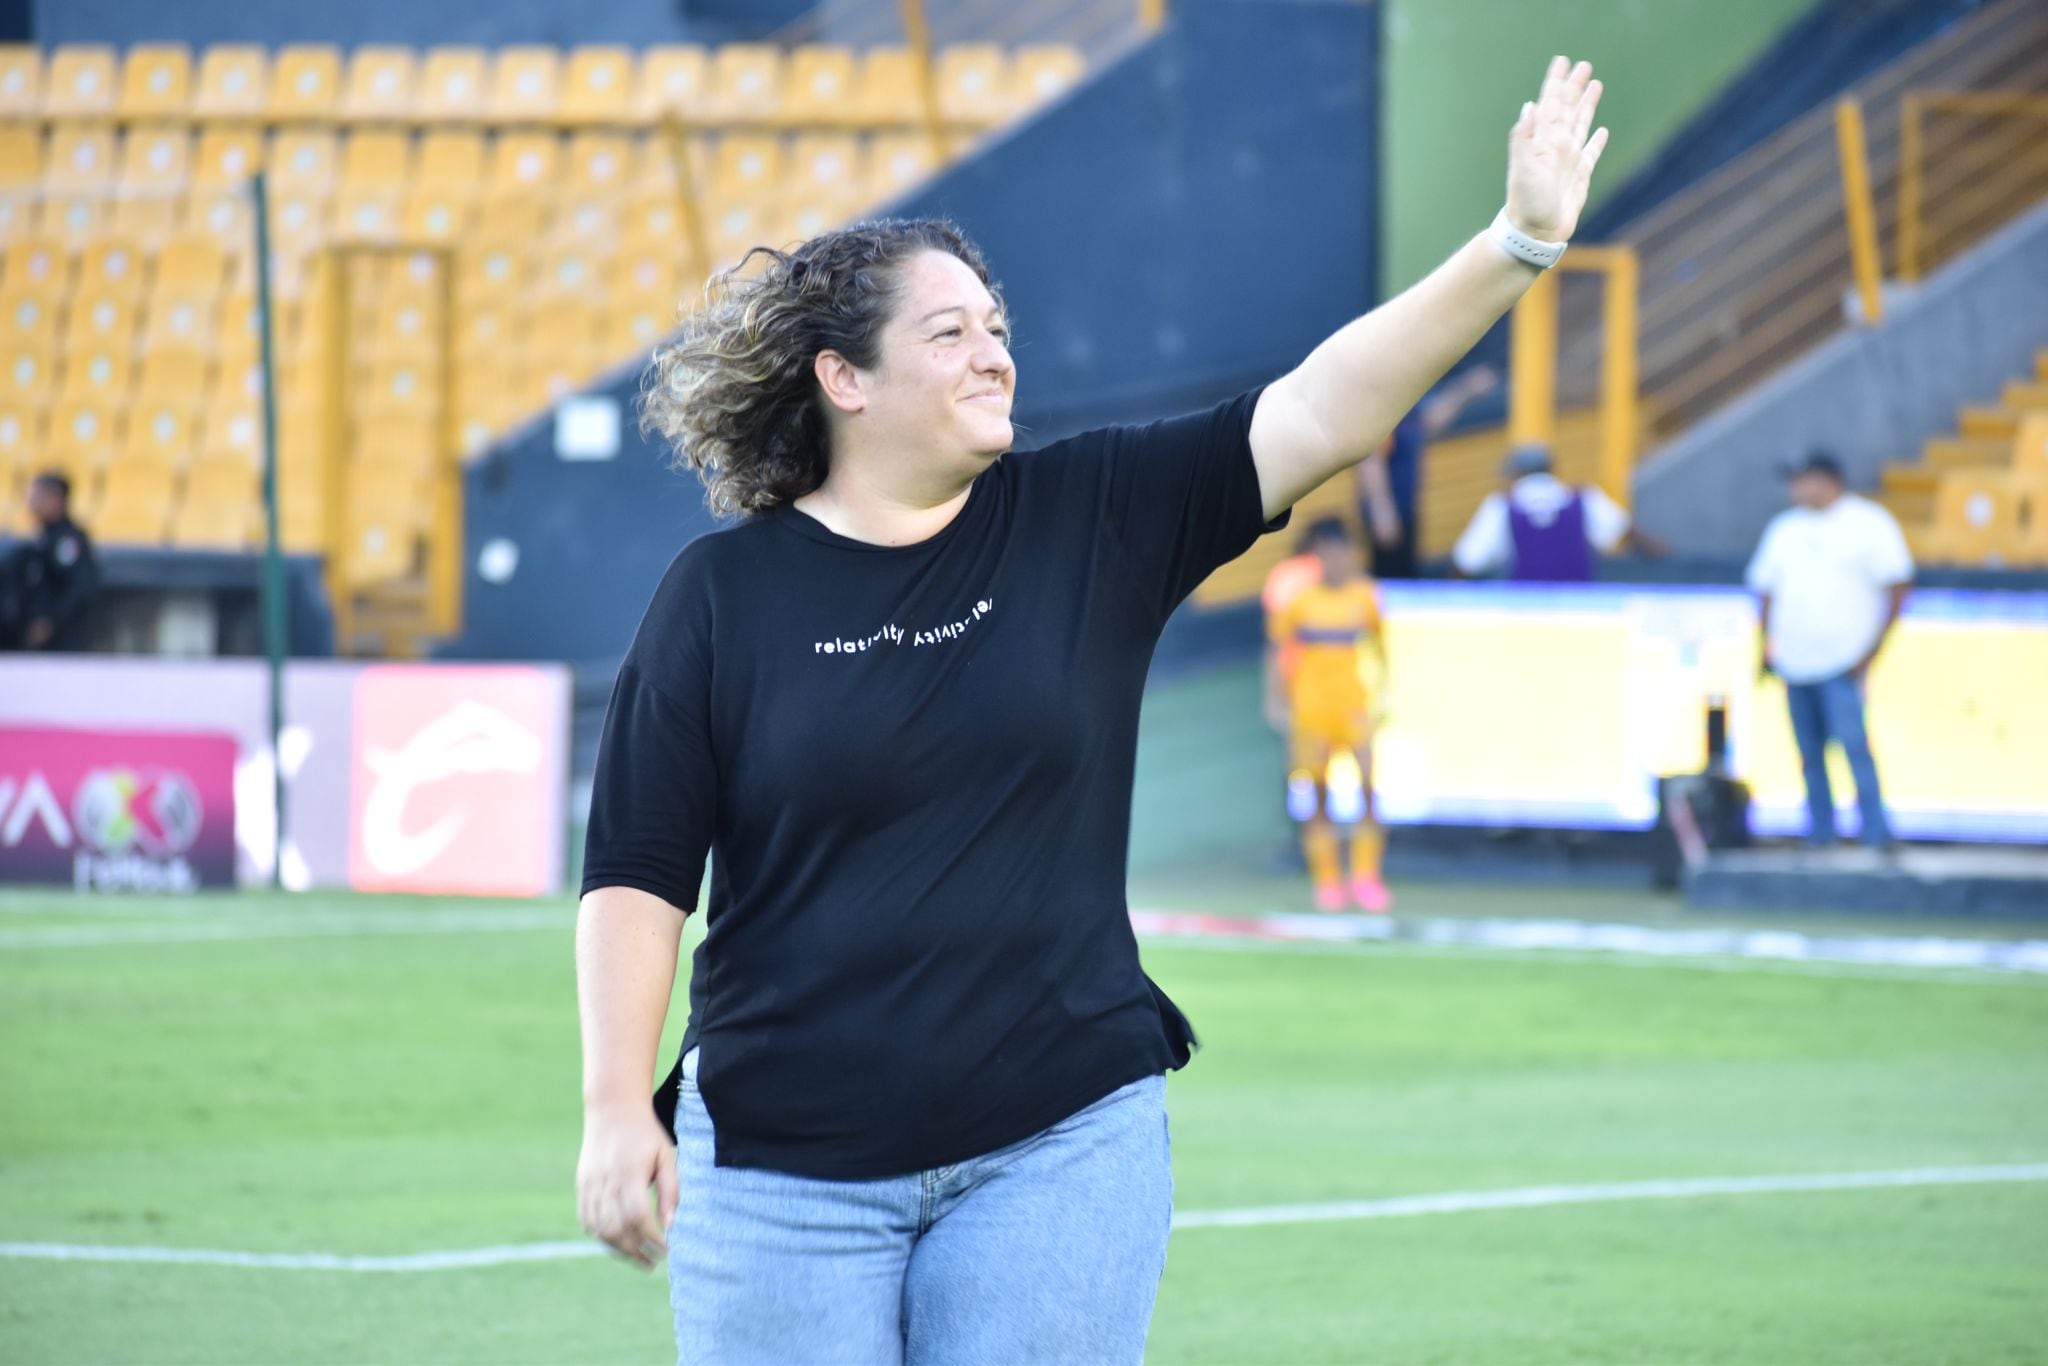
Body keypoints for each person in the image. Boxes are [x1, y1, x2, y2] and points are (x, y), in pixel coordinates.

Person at [576, 55, 1609, 1364]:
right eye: (949, 332)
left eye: (998, 324)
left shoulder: (1092, 516)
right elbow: (637, 873)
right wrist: (618, 1103)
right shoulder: (719, 594)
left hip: (1059, 1142)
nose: (993, 351)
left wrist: (1516, 244)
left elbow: (1325, 407)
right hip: (784, 1168)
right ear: (844, 379)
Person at [1745, 451, 1910, 851]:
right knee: (1809, 755)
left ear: (1829, 480)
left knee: (1855, 747)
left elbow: (1898, 585)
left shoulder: (1869, 523)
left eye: (1803, 479)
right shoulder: (1784, 528)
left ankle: (1875, 832)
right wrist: (1765, 649)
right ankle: (1820, 833)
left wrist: (1870, 653)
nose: (1795, 489)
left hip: (1843, 661)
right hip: (1796, 661)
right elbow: (1765, 590)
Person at [1264, 516, 1390, 912]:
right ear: (1318, 556)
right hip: (1312, 712)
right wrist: (1276, 700)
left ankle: (1367, 878)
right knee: (1317, 796)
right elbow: (1278, 654)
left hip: (1353, 708)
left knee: (1368, 790)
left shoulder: (1366, 596)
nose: (1336, 561)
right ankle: (1328, 881)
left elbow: (1382, 651)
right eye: (1328, 554)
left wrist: (1383, 697)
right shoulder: (1301, 603)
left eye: (1342, 553)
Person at [1357, 363, 1500, 578]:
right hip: (1389, 510)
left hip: (1404, 509)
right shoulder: (1387, 406)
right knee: (1389, 577)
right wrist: (1382, 510)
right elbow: (1371, 458)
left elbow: (1429, 421)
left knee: (1405, 572)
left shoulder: (1409, 405)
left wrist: (1466, 391)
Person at [1450, 443, 1659, 580]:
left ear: (1516, 474)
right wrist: (1661, 555)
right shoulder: (1584, 497)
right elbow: (1625, 530)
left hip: (1523, 611)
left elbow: (1468, 561)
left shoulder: (1502, 505)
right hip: (1580, 608)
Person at [0, 472, 99, 652]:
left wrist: (50, 622)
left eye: (37, 495)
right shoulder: (40, 539)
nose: (31, 501)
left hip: (63, 644)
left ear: (55, 499)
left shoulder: (69, 540)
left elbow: (79, 589)